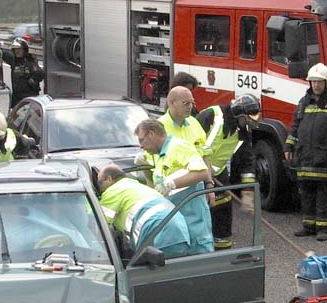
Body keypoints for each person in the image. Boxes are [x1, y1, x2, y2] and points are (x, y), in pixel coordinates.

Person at [284, 63, 327, 242]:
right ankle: (309, 226)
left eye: (319, 82)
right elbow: (295, 126)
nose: (315, 85)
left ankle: (324, 229)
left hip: (326, 156)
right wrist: (289, 147)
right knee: (306, 193)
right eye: (313, 82)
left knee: (324, 194)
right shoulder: (304, 101)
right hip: (305, 156)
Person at [134, 119, 214, 254]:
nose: (141, 146)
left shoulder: (178, 147)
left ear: (151, 134)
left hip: (194, 228)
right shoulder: (160, 155)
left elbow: (202, 172)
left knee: (200, 268)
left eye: (142, 140)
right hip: (178, 227)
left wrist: (171, 184)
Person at [196, 93, 260, 249]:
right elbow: (190, 140)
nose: (251, 122)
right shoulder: (212, 116)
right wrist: (203, 164)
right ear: (239, 113)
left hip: (219, 174)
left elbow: (247, 160)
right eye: (248, 118)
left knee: (223, 210)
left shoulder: (242, 131)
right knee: (199, 212)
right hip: (195, 174)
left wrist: (247, 193)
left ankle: (223, 250)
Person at [97, 164, 191, 258]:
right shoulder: (137, 186)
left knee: (153, 270)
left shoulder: (113, 190)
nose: (100, 188)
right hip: (180, 229)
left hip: (159, 232)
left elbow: (98, 224)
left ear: (109, 179)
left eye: (99, 183)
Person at [1, 37, 44, 108]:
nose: (17, 51)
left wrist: (32, 80)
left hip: (29, 100)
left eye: (19, 49)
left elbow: (40, 74)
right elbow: (3, 54)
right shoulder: (13, 61)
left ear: (24, 50)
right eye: (15, 49)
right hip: (17, 100)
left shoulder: (30, 62)